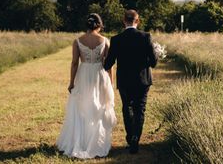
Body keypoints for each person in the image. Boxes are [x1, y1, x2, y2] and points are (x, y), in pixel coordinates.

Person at [56, 13, 117, 159]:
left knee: (82, 106)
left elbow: (74, 63)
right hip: (99, 74)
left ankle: (82, 141)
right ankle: (96, 141)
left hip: (83, 74)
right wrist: (111, 81)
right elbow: (109, 65)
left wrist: (71, 82)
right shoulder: (105, 40)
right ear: (99, 25)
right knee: (98, 106)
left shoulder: (78, 41)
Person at [104, 9, 158, 154]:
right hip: (142, 80)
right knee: (140, 109)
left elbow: (108, 64)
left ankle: (130, 137)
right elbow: (153, 63)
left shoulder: (116, 39)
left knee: (127, 107)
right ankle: (135, 138)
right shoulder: (146, 36)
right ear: (137, 21)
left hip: (125, 81)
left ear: (124, 21)